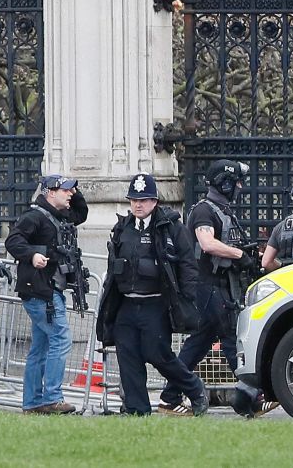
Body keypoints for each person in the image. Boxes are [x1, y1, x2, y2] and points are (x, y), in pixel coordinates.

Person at [97, 173, 208, 416]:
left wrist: (186, 298)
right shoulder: (122, 227)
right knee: (128, 357)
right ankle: (138, 410)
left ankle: (194, 388)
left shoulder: (171, 227)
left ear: (154, 201)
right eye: (134, 200)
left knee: (158, 354)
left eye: (144, 200)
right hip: (127, 303)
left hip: (155, 303)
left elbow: (188, 265)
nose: (138, 204)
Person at [158, 159, 261, 415]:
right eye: (236, 181)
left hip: (220, 285)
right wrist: (239, 255)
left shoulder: (222, 210)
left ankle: (169, 397)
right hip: (207, 286)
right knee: (229, 337)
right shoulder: (205, 211)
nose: (240, 186)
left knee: (199, 344)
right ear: (225, 183)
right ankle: (249, 398)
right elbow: (207, 243)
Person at [5, 174, 88, 414]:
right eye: (65, 191)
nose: (70, 195)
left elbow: (81, 213)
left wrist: (74, 187)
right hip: (41, 291)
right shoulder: (34, 217)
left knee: (40, 348)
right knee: (61, 340)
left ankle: (32, 403)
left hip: (49, 290)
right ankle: (52, 398)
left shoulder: (61, 216)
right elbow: (13, 240)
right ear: (50, 193)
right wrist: (31, 255)